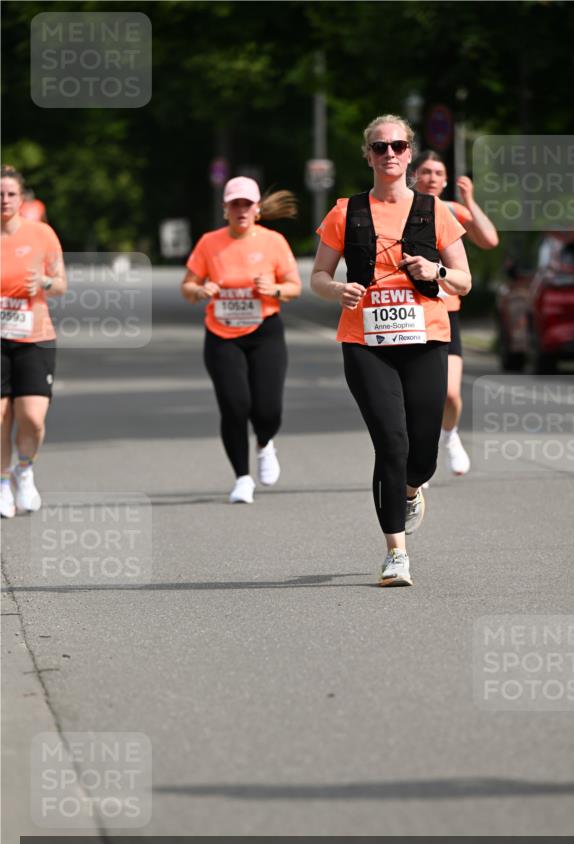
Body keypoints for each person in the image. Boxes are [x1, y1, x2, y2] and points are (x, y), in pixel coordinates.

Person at [311, 115, 471, 586]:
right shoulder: (346, 211)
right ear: (368, 155)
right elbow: (318, 276)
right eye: (379, 147)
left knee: (421, 453)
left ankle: (410, 488)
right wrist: (336, 290)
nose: (389, 154)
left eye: (397, 145)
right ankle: (395, 553)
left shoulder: (436, 210)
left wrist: (436, 271)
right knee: (390, 441)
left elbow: (464, 280)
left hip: (426, 339)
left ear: (409, 152)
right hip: (366, 342)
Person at [181, 176, 301, 504]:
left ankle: (265, 443)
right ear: (225, 209)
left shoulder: (273, 242)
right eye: (235, 204)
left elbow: (294, 286)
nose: (241, 210)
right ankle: (242, 478)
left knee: (268, 409)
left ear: (257, 208)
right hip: (222, 334)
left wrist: (274, 289)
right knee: (235, 406)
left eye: (247, 204)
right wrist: (200, 290)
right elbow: (187, 286)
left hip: (265, 331)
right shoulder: (209, 243)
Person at [411, 150, 499, 476]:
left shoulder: (452, 210)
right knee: (416, 395)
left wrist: (470, 200)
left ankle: (449, 437)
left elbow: (489, 240)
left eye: (438, 172)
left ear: (445, 179)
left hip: (446, 312)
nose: (432, 177)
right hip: (411, 312)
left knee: (449, 393)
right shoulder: (399, 210)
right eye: (425, 172)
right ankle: (416, 459)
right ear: (413, 175)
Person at [1, 165, 66, 518]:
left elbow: (60, 284)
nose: (5, 200)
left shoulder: (41, 234)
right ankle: (1, 482)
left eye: (10, 194)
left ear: (21, 197)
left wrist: (41, 281)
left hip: (34, 336)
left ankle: (24, 469)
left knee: (32, 418)